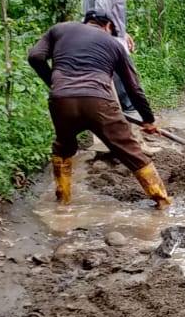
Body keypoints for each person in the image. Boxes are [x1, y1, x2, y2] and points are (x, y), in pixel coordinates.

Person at [27, 12, 171, 207]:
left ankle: (63, 203)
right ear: (108, 26)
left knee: (63, 147)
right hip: (99, 101)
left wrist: (54, 83)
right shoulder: (113, 44)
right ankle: (162, 201)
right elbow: (133, 88)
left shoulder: (60, 29)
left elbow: (35, 56)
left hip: (61, 100)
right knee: (130, 150)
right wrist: (148, 120)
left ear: (86, 22)